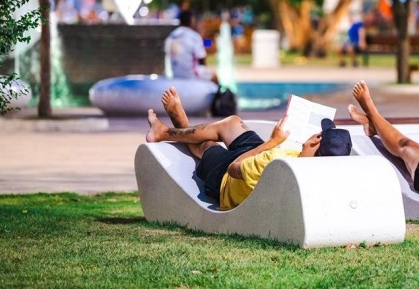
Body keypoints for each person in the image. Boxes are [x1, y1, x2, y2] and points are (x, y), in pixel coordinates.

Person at [146, 88, 352, 210]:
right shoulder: (309, 168)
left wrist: (271, 142)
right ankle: (173, 128)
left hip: (228, 180)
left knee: (206, 145)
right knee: (232, 122)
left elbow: (233, 168)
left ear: (316, 140)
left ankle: (168, 129)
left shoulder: (277, 166)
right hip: (258, 156)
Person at [165, 10, 217, 83]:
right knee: (214, 76)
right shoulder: (193, 36)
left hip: (176, 76)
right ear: (191, 20)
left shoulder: (172, 36)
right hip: (191, 76)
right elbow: (202, 59)